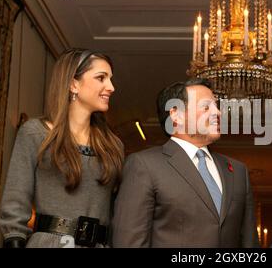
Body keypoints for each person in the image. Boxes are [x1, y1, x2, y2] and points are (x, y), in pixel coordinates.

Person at [0, 48, 124, 248]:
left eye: (110, 79)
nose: (111, 87)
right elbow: (15, 201)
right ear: (73, 84)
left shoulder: (113, 145)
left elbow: (117, 212)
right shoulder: (35, 133)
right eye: (101, 78)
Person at [111, 79, 259, 247]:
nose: (217, 112)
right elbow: (129, 242)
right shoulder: (145, 165)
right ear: (176, 115)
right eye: (206, 107)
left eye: (216, 106)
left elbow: (249, 242)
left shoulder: (237, 171)